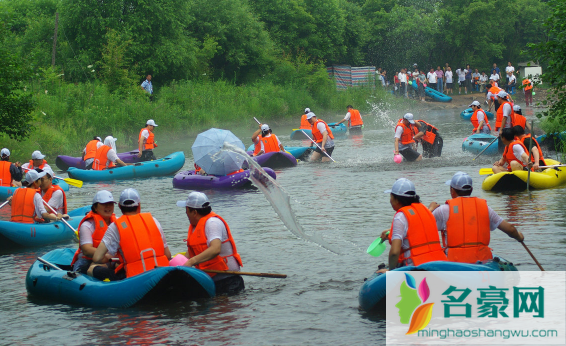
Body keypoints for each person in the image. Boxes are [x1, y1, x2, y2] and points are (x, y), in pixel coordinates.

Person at [428, 172, 524, 263]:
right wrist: (519, 237)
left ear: (452, 191)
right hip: (482, 261)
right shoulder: (485, 208)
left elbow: (422, 225)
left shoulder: (443, 210)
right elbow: (511, 230)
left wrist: (430, 209)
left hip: (455, 262)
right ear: (471, 190)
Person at [91, 188, 171, 281]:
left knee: (92, 268)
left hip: (133, 278)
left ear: (120, 207)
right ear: (139, 206)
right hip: (161, 273)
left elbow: (97, 258)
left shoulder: (115, 227)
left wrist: (109, 259)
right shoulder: (153, 220)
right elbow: (168, 255)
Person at [177, 191, 244, 295]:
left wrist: (191, 262)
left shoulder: (212, 223)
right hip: (210, 281)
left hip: (228, 280)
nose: (186, 213)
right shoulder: (196, 226)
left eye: (186, 210)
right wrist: (176, 265)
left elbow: (215, 249)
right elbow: (192, 252)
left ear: (194, 212)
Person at [376, 178, 447, 273]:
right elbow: (414, 227)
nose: (390, 200)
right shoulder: (426, 211)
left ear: (397, 199)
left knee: (381, 272)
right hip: (439, 265)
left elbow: (394, 253)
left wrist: (391, 272)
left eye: (391, 196)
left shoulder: (400, 217)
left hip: (416, 268)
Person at [71, 190, 117, 274]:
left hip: (112, 260)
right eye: (104, 204)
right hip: (87, 261)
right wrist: (107, 256)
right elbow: (87, 250)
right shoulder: (87, 225)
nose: (108, 206)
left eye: (110, 204)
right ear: (95, 207)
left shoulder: (117, 222)